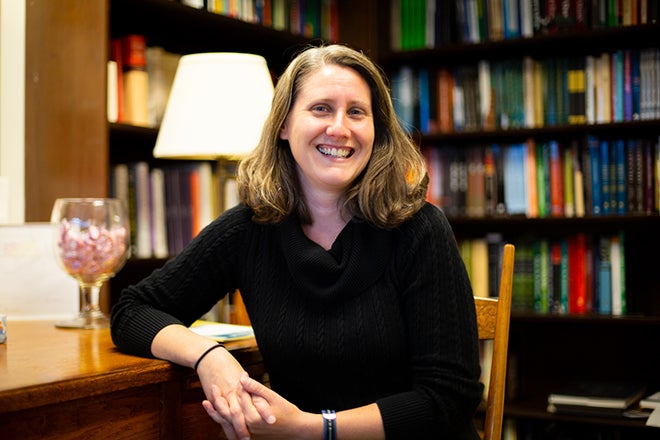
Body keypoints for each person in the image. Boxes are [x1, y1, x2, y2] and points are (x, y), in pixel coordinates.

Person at [111, 43, 483, 439]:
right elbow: (133, 311)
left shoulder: (420, 229)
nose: (340, 127)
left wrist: (315, 429)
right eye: (321, 108)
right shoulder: (249, 230)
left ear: (377, 131)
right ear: (284, 126)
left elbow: (449, 398)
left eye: (356, 112)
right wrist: (208, 355)